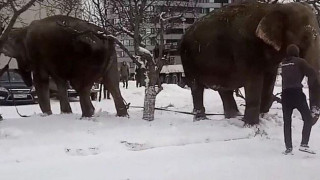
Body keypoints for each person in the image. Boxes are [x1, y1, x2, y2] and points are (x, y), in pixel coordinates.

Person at [281, 44, 319, 155]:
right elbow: (312, 72)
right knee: (307, 119)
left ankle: (288, 148)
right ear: (297, 52)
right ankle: (304, 144)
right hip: (297, 93)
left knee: (287, 122)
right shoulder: (300, 61)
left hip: (285, 95)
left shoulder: (283, 63)